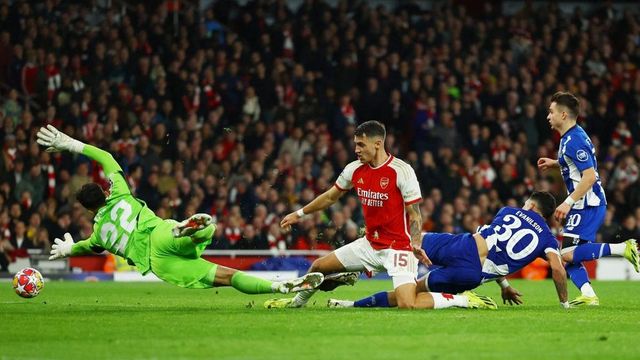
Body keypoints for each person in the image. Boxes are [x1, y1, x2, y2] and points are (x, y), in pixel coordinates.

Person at [37, 125, 324, 295]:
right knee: (208, 228)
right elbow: (106, 157)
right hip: (160, 232)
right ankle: (190, 228)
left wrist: (69, 249)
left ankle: (277, 288)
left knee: (225, 276)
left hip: (157, 262)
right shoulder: (120, 194)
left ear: (87, 209)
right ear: (104, 191)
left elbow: (89, 246)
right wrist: (70, 144)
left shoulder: (100, 234)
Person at [264, 120, 430, 309]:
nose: (356, 150)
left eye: (361, 144)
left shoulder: (402, 171)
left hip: (398, 248)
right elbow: (329, 197)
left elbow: (415, 214)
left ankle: (458, 299)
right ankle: (296, 303)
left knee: (407, 304)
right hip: (368, 245)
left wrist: (415, 242)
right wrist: (299, 213)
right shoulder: (354, 169)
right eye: (355, 145)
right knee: (318, 266)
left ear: (378, 144)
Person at [328, 191, 574, 310]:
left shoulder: (508, 211)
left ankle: (365, 262)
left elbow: (493, 244)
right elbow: (557, 269)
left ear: (530, 204)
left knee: (406, 242)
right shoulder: (548, 241)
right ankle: (349, 305)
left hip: (462, 245)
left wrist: (506, 286)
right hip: (471, 274)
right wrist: (564, 303)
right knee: (411, 294)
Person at [538, 92, 639, 306]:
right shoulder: (572, 136)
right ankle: (588, 294)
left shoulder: (573, 140)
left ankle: (624, 248)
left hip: (587, 204)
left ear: (563, 114)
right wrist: (557, 163)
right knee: (570, 254)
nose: (548, 116)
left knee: (566, 254)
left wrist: (568, 202)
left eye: (551, 112)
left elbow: (590, 176)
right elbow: (577, 164)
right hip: (585, 203)